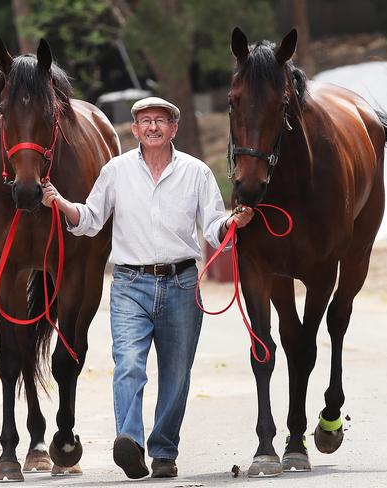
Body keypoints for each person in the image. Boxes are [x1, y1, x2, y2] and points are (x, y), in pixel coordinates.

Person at [41, 97, 253, 479]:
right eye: (144, 121)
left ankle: (164, 452)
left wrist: (232, 223)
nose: (152, 126)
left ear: (174, 128)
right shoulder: (115, 171)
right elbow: (89, 220)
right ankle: (130, 442)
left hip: (182, 283)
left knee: (176, 373)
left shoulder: (197, 173)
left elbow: (212, 227)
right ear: (134, 130)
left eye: (160, 120)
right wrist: (61, 204)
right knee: (128, 366)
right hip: (129, 284)